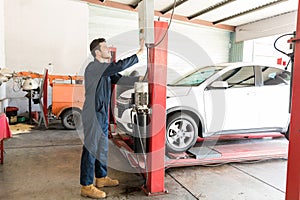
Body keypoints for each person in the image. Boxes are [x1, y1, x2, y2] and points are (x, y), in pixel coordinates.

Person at [80, 38, 144, 199]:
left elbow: (120, 78)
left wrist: (140, 80)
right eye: (105, 47)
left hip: (101, 113)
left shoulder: (106, 70)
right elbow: (119, 65)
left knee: (102, 147)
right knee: (91, 148)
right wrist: (139, 54)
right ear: (97, 52)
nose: (108, 49)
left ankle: (101, 178)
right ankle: (86, 186)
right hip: (93, 113)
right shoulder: (94, 67)